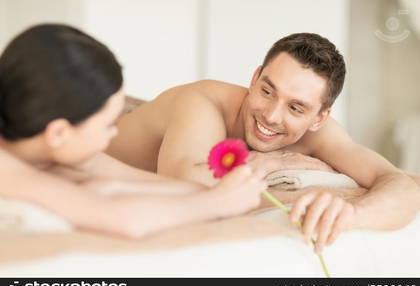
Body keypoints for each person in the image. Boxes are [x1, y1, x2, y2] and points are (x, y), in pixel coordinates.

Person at [107, 33, 420, 254]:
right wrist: (270, 165)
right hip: (107, 138)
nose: (271, 115)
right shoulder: (201, 101)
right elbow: (188, 192)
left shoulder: (321, 133)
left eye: (296, 108)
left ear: (319, 117)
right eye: (267, 91)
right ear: (255, 77)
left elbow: (402, 185)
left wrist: (352, 213)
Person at [0, 24, 267, 238]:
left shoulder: (40, 142)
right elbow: (120, 219)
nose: (114, 133)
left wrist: (227, 194)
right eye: (109, 125)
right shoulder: (7, 169)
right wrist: (216, 204)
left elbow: (132, 181)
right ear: (58, 133)